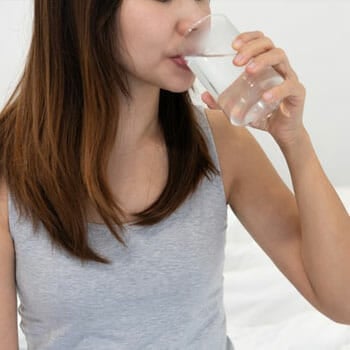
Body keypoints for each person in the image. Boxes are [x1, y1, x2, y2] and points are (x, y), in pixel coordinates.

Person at [0, 0, 349, 349]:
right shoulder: (9, 163)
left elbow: (343, 301)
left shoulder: (221, 143)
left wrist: (294, 141)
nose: (196, 20)